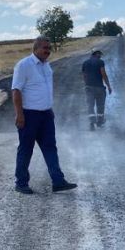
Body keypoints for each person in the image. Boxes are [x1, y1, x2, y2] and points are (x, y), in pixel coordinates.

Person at [11, 38, 77, 194]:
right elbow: (16, 91)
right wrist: (19, 115)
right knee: (26, 149)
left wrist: (49, 108)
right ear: (36, 48)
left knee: (50, 148)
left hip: (46, 115)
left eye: (49, 48)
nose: (48, 51)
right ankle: (21, 183)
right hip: (29, 115)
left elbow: (45, 90)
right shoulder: (24, 65)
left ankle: (58, 181)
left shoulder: (47, 66)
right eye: (45, 48)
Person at [81, 49, 112, 130]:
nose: (100, 56)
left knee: (90, 105)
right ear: (97, 54)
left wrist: (87, 85)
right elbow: (103, 74)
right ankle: (100, 122)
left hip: (89, 88)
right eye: (100, 54)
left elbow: (84, 76)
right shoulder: (100, 62)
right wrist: (108, 86)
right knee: (100, 106)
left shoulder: (85, 63)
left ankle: (91, 123)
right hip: (99, 88)